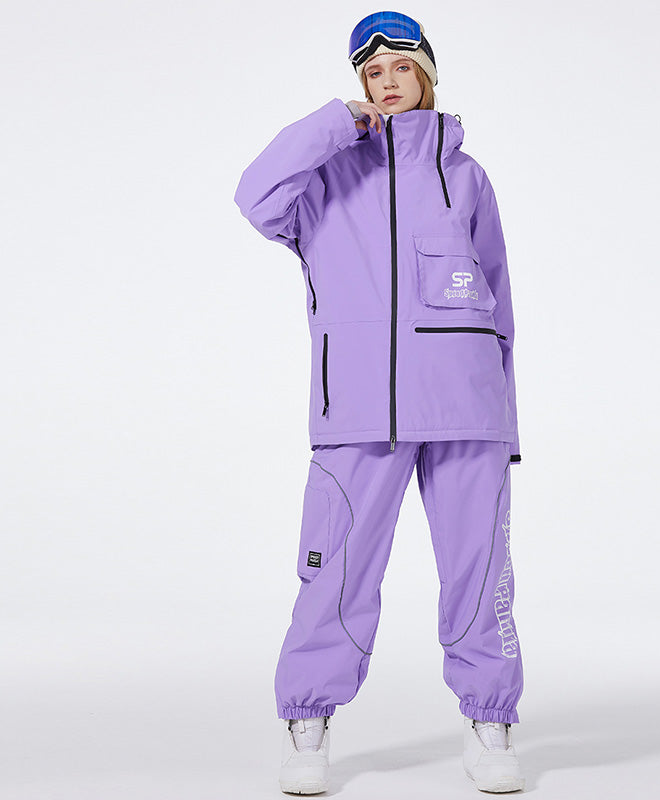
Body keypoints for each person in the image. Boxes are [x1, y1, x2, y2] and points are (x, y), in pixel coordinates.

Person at [233, 11, 525, 794]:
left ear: (426, 75)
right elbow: (254, 196)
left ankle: (490, 721)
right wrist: (334, 124)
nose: (386, 82)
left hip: (467, 410)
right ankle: (308, 722)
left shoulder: (467, 176)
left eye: (400, 67)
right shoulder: (325, 176)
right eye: (371, 73)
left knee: (479, 573)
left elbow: (498, 299)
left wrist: (508, 420)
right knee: (335, 575)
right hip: (360, 410)